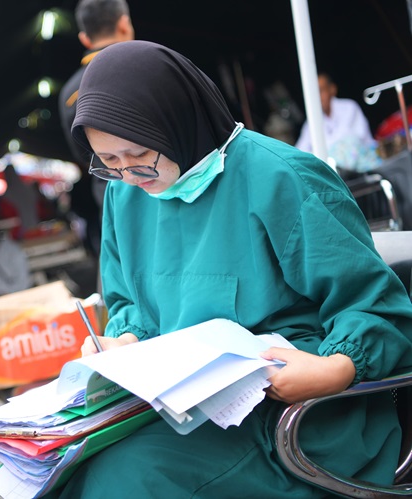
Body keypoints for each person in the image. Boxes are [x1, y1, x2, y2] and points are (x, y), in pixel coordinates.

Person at [50, 40, 412, 498]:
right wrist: (124, 340)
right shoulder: (126, 196)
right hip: (184, 409)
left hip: (292, 415)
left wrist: (337, 368)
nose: (130, 176)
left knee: (127, 479)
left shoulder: (281, 177)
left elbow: (376, 304)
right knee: (67, 465)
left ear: (177, 120)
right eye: (109, 163)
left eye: (140, 156)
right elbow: (130, 302)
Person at [59, 0, 135, 259]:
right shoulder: (148, 67)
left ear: (84, 37)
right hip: (167, 186)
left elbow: (81, 153)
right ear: (124, 24)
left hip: (111, 195)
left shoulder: (69, 93)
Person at [294, 72, 375, 156]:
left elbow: (345, 142)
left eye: (321, 90)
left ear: (332, 89)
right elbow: (299, 151)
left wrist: (316, 152)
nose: (317, 96)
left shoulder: (349, 107)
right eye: (313, 93)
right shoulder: (311, 123)